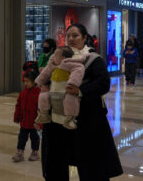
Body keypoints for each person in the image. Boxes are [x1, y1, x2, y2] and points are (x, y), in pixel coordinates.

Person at [42, 23, 123, 181]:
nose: (71, 39)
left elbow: (103, 83)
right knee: (57, 159)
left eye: (75, 36)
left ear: (85, 38)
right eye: (68, 36)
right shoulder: (58, 58)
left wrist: (80, 91)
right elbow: (48, 78)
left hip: (86, 120)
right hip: (58, 118)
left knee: (89, 162)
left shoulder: (92, 59)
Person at [35, 46, 86, 129]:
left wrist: (72, 83)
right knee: (43, 96)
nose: (53, 57)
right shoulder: (52, 66)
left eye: (56, 56)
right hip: (53, 91)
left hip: (66, 91)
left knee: (70, 101)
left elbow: (78, 71)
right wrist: (40, 82)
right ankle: (44, 114)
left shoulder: (71, 64)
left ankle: (70, 119)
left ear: (64, 58)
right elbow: (45, 73)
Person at [12, 71, 41, 162]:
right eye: (25, 81)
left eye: (28, 81)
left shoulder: (38, 94)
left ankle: (35, 152)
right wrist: (17, 117)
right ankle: (20, 153)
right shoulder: (23, 93)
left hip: (34, 123)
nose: (25, 83)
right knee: (22, 137)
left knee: (35, 138)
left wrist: (39, 122)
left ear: (34, 82)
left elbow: (40, 109)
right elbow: (18, 106)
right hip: (24, 122)